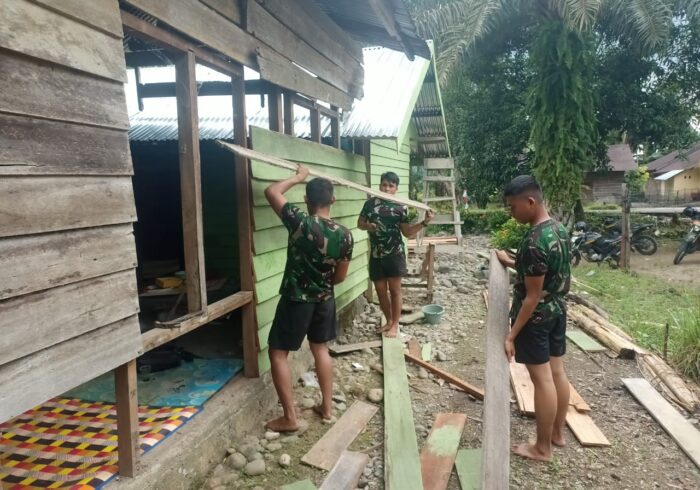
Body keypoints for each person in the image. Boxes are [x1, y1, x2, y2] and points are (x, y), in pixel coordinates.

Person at [263, 165, 354, 432]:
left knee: (278, 352)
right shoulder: (345, 235)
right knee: (320, 349)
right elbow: (340, 276)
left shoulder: (300, 222)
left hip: (296, 299)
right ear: (332, 200)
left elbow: (272, 191)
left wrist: (298, 177)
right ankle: (327, 408)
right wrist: (322, 285)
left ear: (306, 200)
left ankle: (290, 418)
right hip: (325, 299)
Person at [495, 175, 571, 462]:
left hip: (536, 318)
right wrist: (513, 262)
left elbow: (532, 296)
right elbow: (543, 271)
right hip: (557, 311)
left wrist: (511, 335)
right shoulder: (558, 229)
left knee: (542, 380)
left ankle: (542, 448)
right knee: (557, 373)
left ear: (530, 202)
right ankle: (557, 434)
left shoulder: (533, 241)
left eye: (512, 207)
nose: (511, 212)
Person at [357, 172, 433, 338]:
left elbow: (407, 232)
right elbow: (359, 223)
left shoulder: (401, 207)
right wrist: (368, 226)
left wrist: (424, 222)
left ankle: (395, 325)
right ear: (379, 186)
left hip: (394, 254)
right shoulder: (370, 204)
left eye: (391, 186)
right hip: (376, 254)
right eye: (384, 185)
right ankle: (389, 321)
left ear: (396, 188)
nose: (386, 188)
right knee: (380, 290)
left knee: (395, 290)